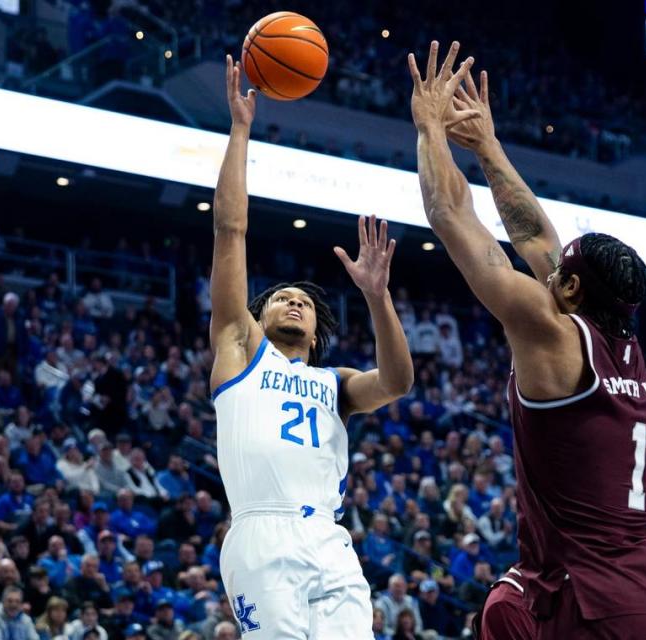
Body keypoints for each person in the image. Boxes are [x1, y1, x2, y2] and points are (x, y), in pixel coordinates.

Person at [408, 41, 646, 638]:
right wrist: (487, 145)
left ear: (567, 291)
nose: (550, 266)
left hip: (594, 605)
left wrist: (430, 126)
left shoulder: (552, 334)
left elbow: (449, 215)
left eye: (560, 272)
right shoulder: (622, 342)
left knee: (503, 608)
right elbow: (538, 236)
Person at [209, 57, 413, 638]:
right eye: (280, 299)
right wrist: (241, 130)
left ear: (318, 335)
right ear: (255, 317)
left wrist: (377, 296)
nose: (293, 302)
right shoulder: (239, 349)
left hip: (328, 535)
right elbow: (230, 231)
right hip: (261, 533)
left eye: (303, 301)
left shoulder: (336, 384)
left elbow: (397, 382)